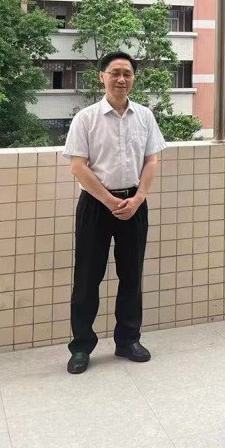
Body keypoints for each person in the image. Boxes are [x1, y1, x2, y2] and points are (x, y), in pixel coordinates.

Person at [63, 51, 165, 375]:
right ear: (102, 77)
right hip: (96, 204)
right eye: (115, 73)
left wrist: (138, 198)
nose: (121, 79)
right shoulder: (86, 118)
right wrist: (109, 200)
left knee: (132, 275)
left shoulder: (145, 117)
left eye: (127, 74)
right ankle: (81, 346)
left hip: (134, 203)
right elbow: (78, 167)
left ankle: (128, 340)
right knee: (87, 278)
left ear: (133, 78)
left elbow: (152, 160)